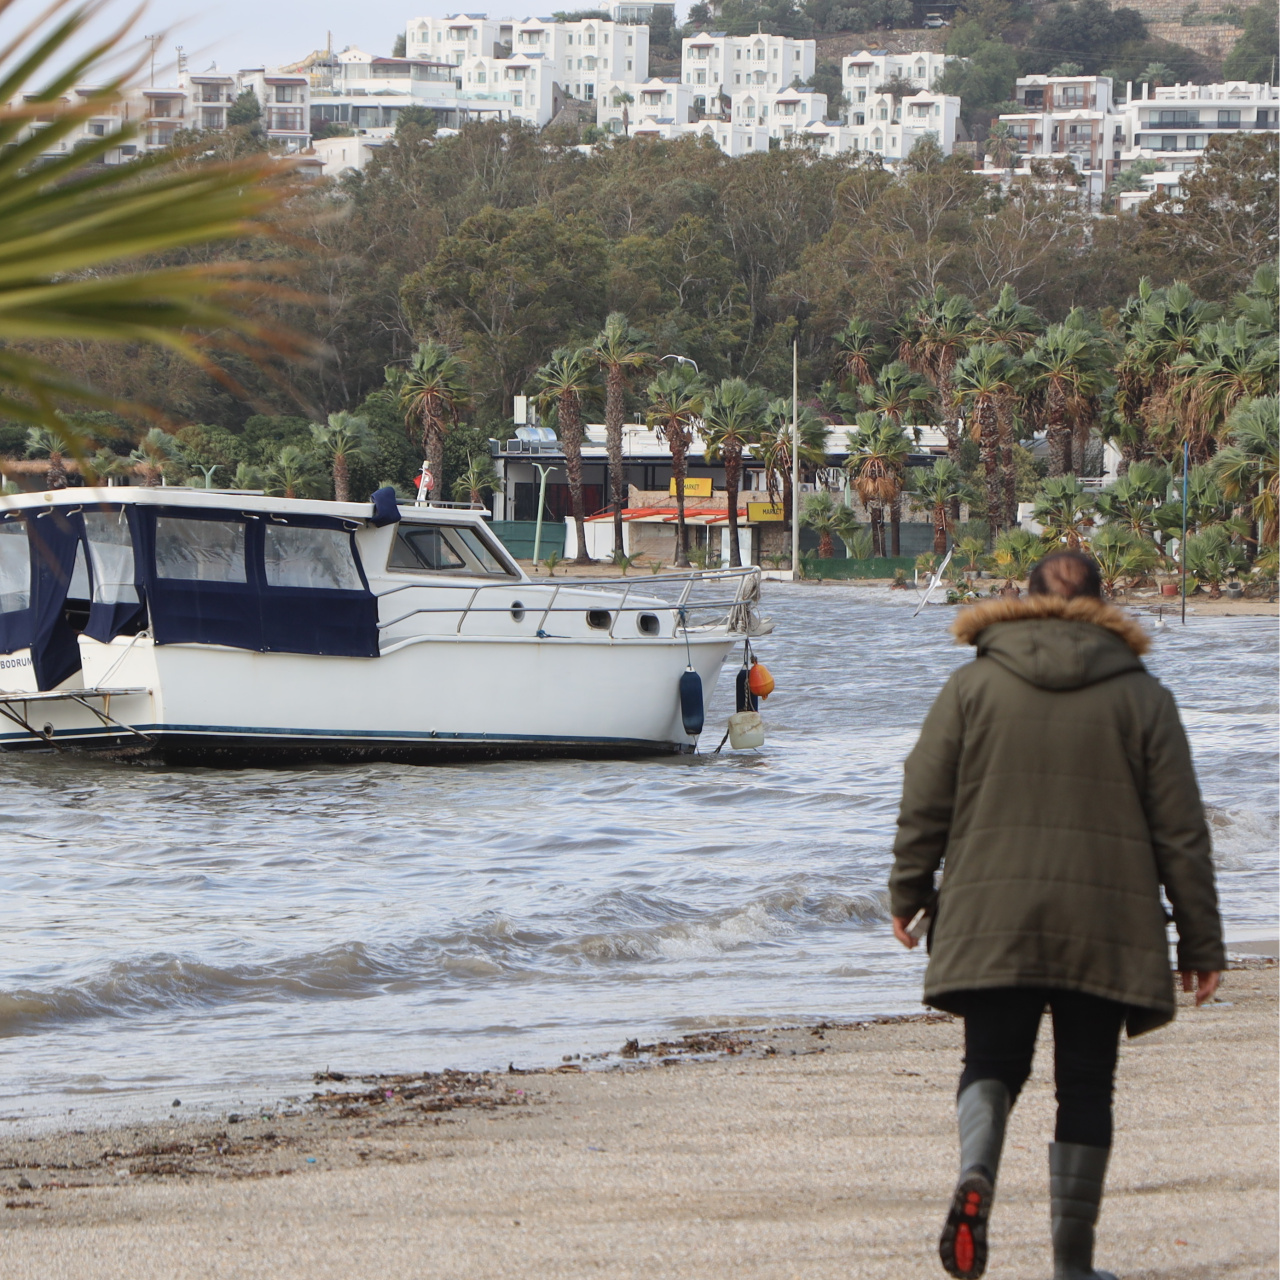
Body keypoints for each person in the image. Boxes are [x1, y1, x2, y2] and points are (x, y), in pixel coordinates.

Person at [889, 550, 1225, 1280]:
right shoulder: (1143, 697)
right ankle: (1073, 1266)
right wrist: (1201, 939)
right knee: (1085, 1083)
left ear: (1023, 598)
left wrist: (908, 892)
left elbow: (924, 797)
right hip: (1106, 921)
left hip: (992, 912)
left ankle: (977, 1172)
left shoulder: (972, 684)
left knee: (991, 1063)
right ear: (1105, 606)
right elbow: (1181, 830)